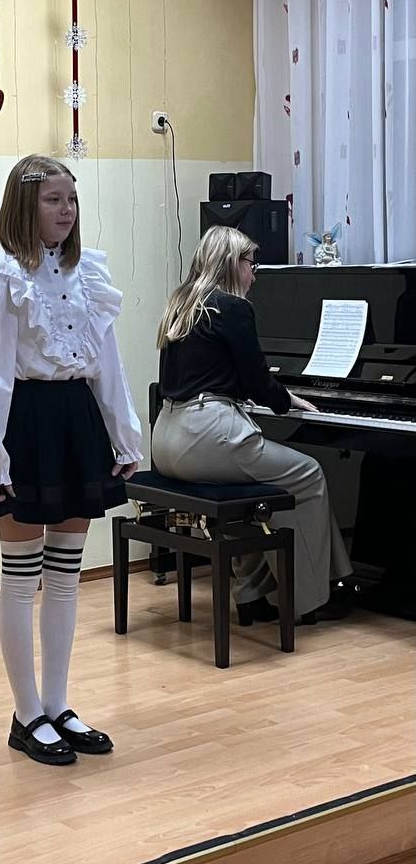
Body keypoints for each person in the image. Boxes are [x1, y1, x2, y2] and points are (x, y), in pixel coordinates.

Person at [0, 154, 142, 766]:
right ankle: (26, 713)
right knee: (21, 575)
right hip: (26, 425)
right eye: (52, 200)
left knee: (65, 574)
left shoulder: (87, 273)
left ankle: (58, 704)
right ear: (25, 205)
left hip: (76, 420)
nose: (66, 210)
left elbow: (107, 364)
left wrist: (124, 436)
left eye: (71, 199)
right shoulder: (0, 277)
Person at [151, 225, 353, 625]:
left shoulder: (182, 303)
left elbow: (210, 375)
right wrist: (287, 400)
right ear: (232, 263)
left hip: (168, 438)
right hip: (206, 436)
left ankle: (251, 595)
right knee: (308, 475)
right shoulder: (233, 307)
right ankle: (307, 598)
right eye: (250, 262)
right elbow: (258, 381)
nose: (255, 272)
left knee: (254, 489)